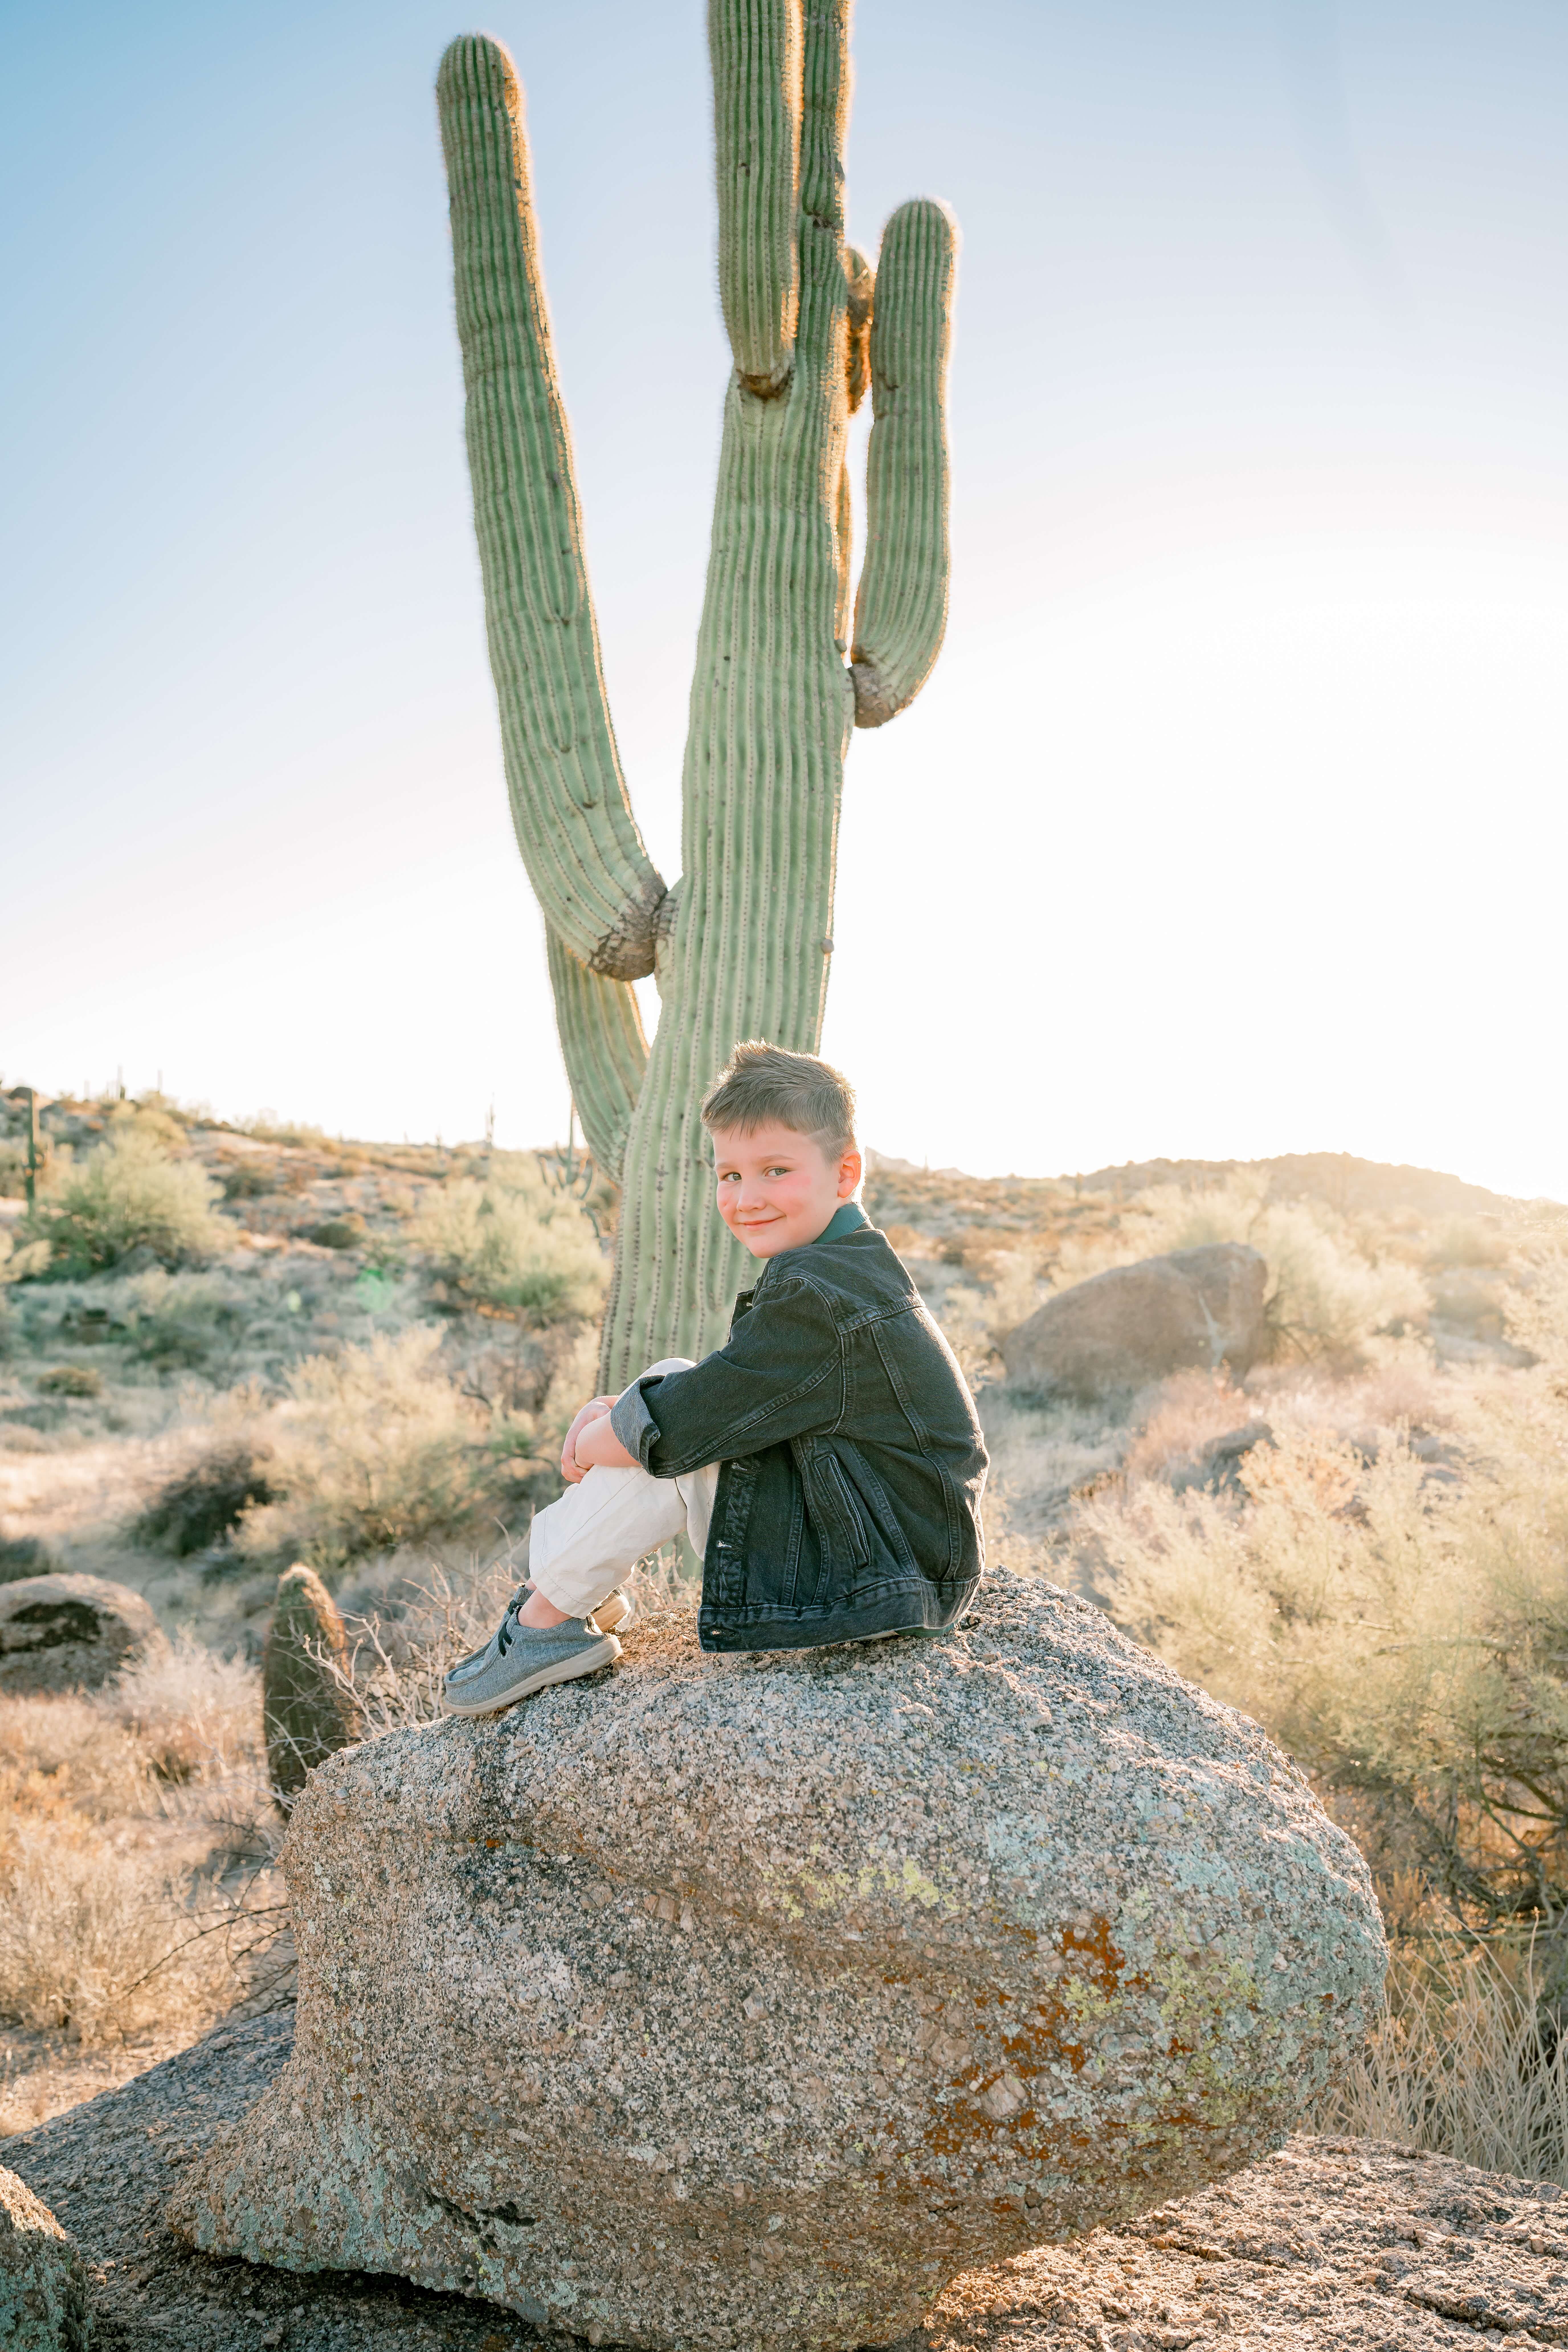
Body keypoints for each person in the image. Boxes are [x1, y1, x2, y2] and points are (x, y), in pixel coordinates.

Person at [443, 1042, 987, 1715]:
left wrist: (589, 1443)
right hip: (901, 1557)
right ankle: (573, 1593)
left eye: (775, 1170)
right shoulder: (847, 1265)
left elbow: (686, 1428)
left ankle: (545, 1622)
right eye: (729, 1175)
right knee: (666, 1392)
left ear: (845, 1172)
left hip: (879, 1574)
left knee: (665, 1417)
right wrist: (624, 1414)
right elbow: (732, 1394)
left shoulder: (819, 1293)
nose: (746, 1197)